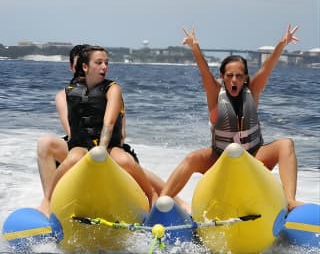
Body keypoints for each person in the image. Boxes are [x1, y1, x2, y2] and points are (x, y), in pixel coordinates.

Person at [160, 24, 303, 212]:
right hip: (220, 160)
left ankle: (290, 202)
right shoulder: (215, 94)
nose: (234, 80)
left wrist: (281, 45)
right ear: (222, 77)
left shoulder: (252, 90)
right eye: (229, 76)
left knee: (286, 144)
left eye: (238, 76)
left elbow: (267, 68)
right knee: (192, 158)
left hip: (253, 158)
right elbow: (204, 73)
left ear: (245, 78)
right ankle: (162, 204)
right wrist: (195, 48)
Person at [38, 45, 159, 216]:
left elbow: (109, 123)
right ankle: (49, 201)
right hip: (82, 145)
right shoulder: (69, 93)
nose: (104, 67)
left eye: (106, 63)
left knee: (124, 159)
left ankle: (152, 196)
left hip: (107, 146)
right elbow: (72, 130)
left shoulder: (112, 89)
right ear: (85, 67)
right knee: (73, 158)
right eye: (99, 63)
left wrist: (101, 151)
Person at [37, 44, 87, 200]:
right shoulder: (63, 96)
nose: (81, 70)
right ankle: (50, 204)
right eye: (77, 65)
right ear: (71, 67)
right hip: (78, 149)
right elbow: (72, 133)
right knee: (46, 143)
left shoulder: (110, 92)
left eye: (84, 65)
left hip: (108, 151)